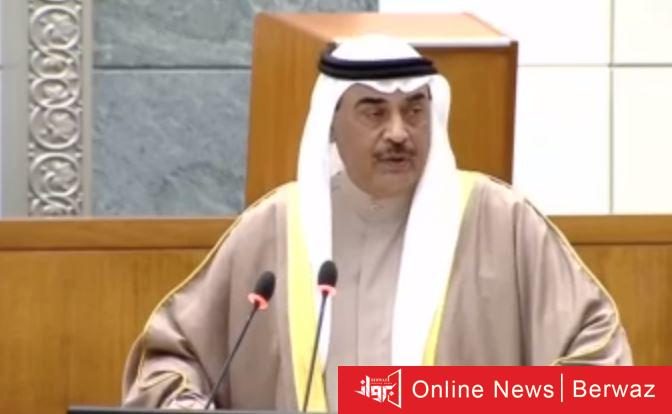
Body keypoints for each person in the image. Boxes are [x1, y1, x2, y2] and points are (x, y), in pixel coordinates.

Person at [122, 34, 632, 411]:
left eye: (414, 111)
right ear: (332, 123)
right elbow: (170, 362)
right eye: (374, 112)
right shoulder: (274, 227)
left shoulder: (501, 222)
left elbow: (606, 376)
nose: (399, 133)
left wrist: (438, 398)